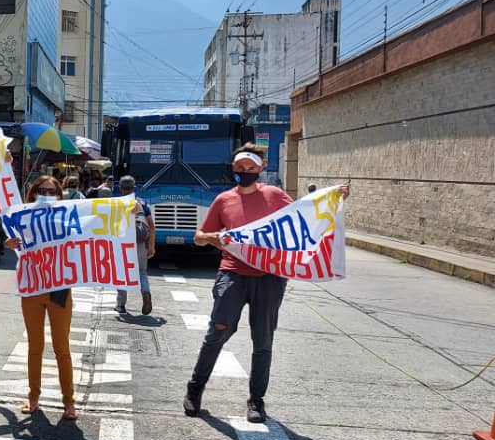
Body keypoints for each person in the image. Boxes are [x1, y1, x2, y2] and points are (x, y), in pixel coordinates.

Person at [183, 144, 348, 423]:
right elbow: (199, 236)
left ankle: (256, 401)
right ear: (233, 169)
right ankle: (195, 388)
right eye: (240, 168)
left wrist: (333, 198)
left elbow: (303, 217)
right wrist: (214, 237)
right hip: (232, 274)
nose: (245, 172)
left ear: (260, 169)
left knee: (263, 340)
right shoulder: (223, 200)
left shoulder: (275, 196)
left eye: (250, 168)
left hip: (270, 277)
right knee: (217, 333)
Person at [4, 175, 77, 420]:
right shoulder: (22, 217)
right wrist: (9, 243)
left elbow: (95, 229)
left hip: (59, 289)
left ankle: (69, 402)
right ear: (33, 193)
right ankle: (33, 398)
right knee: (35, 347)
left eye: (52, 191)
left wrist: (126, 213)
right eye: (42, 190)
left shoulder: (69, 216)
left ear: (59, 195)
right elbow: (5, 194)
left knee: (61, 347)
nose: (46, 194)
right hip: (32, 288)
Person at [115, 175, 155, 315]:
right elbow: (151, 225)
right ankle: (145, 293)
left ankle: (121, 304)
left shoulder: (116, 204)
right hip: (140, 242)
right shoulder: (142, 203)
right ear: (134, 188)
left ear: (120, 188)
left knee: (121, 272)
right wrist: (151, 245)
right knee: (142, 272)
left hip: (123, 243)